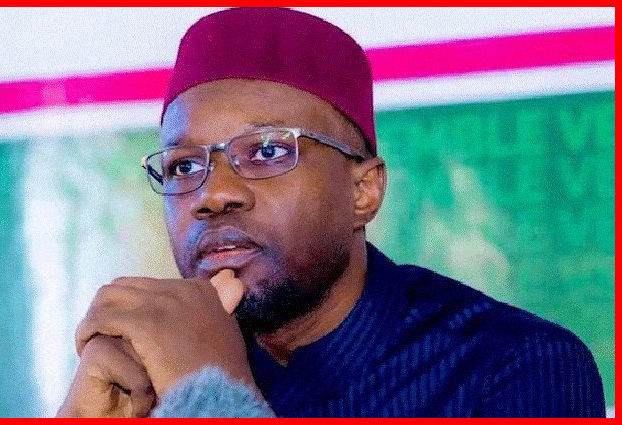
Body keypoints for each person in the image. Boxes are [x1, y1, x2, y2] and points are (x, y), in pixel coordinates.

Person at [57, 7, 605, 418]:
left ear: (363, 191)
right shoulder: (145, 376)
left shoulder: (517, 368)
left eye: (266, 151)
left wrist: (209, 394)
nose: (212, 194)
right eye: (183, 166)